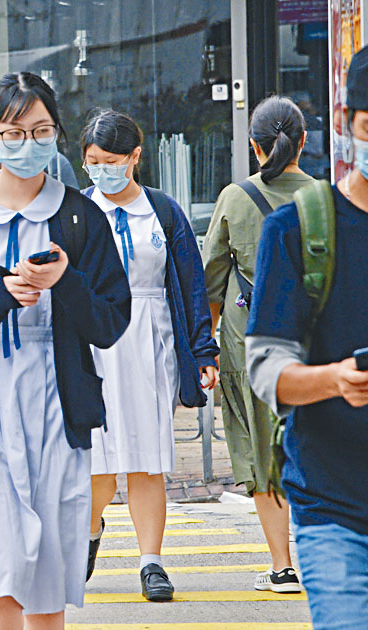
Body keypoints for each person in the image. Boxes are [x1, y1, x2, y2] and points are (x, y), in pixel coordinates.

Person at [0, 72, 132, 629]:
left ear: (57, 133)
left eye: (41, 131)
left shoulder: (79, 216)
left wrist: (66, 281)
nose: (28, 144)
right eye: (14, 132)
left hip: (56, 401)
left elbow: (110, 322)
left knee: (46, 582)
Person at [246, 45, 368, 630]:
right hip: (334, 507)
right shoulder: (296, 229)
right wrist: (335, 380)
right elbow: (267, 369)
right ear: (346, 122)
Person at [81, 109, 219, 602]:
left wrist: (202, 351)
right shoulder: (75, 211)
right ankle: (89, 530)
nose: (102, 170)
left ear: (135, 156)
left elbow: (191, 284)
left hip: (149, 342)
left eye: (111, 160)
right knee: (96, 463)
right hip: (93, 344)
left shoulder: (162, 212)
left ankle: (151, 562)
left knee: (146, 460)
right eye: (93, 161)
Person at [202, 96, 313, 593]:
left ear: (254, 145)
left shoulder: (234, 197)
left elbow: (211, 281)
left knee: (260, 449)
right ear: (303, 141)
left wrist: (206, 347)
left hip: (248, 345)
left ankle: (281, 566)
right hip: (315, 346)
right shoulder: (327, 198)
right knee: (313, 446)